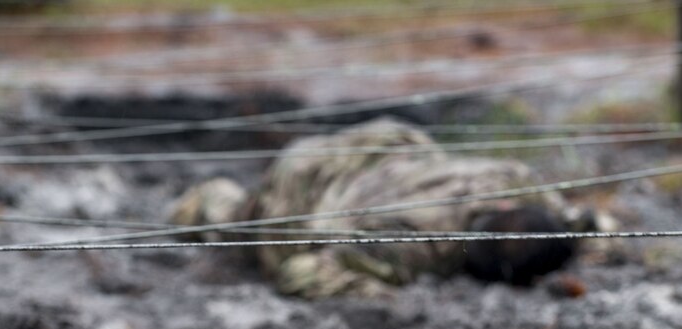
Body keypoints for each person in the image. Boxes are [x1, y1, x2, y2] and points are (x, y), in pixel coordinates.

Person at [168, 117, 612, 298]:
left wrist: (587, 228)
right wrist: (384, 294)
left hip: (385, 141)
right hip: (305, 186)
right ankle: (200, 202)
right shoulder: (409, 247)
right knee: (244, 226)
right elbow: (299, 273)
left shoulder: (514, 181)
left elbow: (571, 218)